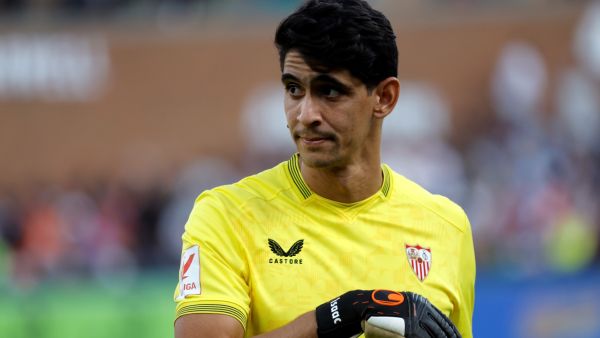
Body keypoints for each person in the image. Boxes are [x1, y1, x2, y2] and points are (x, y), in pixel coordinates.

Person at [173, 1, 476, 337]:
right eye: (293, 89)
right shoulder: (226, 216)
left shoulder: (447, 227)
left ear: (385, 98)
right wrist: (339, 314)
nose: (305, 115)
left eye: (329, 91)